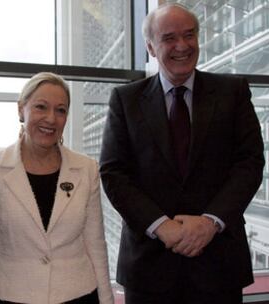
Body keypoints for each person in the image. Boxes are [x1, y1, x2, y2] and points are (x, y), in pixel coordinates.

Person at [99, 3, 264, 304]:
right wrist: (161, 226)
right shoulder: (125, 100)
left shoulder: (233, 92)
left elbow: (249, 164)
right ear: (150, 47)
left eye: (189, 35)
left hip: (219, 264)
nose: (182, 46)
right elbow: (114, 173)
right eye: (169, 38)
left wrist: (210, 222)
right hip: (149, 268)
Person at [0, 72, 113, 304]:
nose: (51, 119)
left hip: (79, 295)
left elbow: (95, 243)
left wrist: (106, 301)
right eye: (41, 107)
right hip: (13, 296)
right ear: (21, 109)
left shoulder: (86, 168)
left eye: (61, 110)